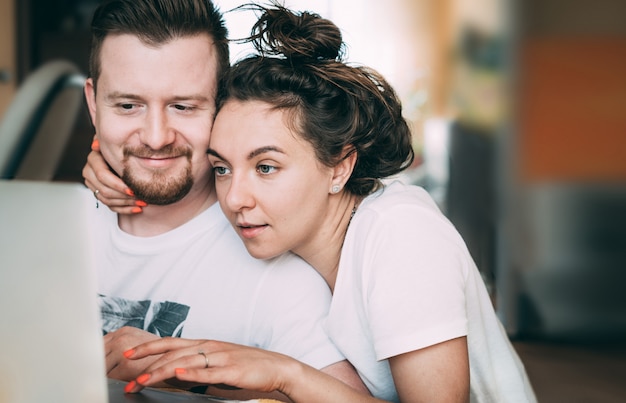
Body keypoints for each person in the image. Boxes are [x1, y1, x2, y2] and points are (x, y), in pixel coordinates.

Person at [88, 4, 537, 403]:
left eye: (266, 168)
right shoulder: (303, 243)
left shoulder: (400, 235)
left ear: (339, 168)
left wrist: (284, 376)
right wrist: (113, 160)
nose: (235, 199)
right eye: (222, 168)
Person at [81, 0, 367, 400]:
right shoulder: (38, 230)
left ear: (221, 105)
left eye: (183, 106)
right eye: (128, 106)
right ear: (94, 104)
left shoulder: (276, 268)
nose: (156, 136)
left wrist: (203, 384)